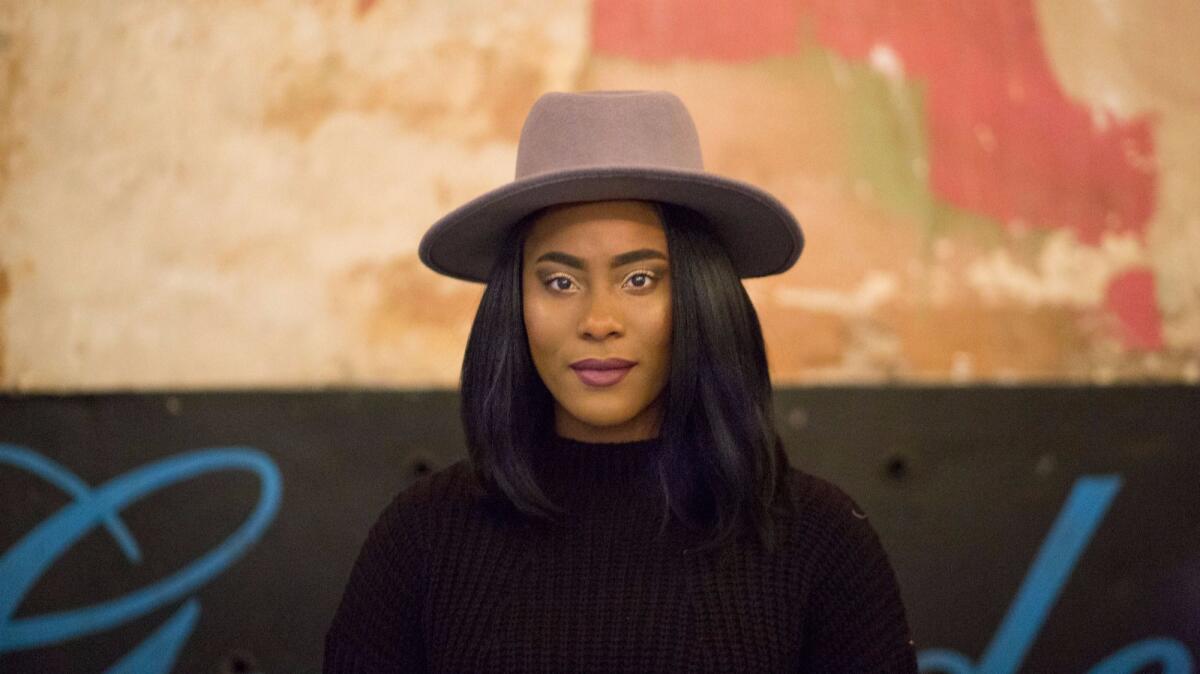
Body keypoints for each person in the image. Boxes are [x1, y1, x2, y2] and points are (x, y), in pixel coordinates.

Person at [324, 90, 918, 673]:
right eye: (560, 282)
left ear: (700, 294)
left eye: (639, 280)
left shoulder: (819, 542)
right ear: (514, 303)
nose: (598, 322)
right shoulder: (423, 539)